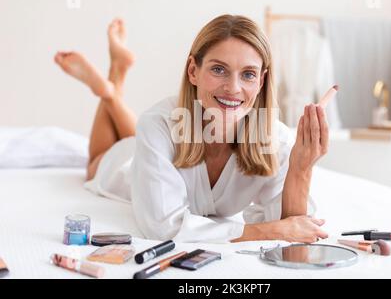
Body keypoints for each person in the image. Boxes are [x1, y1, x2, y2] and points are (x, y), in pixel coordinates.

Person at [55, 15, 329, 243]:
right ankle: (111, 86)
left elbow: (290, 227)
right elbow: (162, 227)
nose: (233, 88)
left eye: (248, 74)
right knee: (95, 164)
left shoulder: (277, 139)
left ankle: (113, 87)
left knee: (136, 134)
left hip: (151, 140)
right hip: (127, 166)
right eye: (219, 70)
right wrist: (266, 232)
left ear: (261, 81)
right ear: (193, 71)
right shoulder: (157, 124)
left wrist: (300, 169)